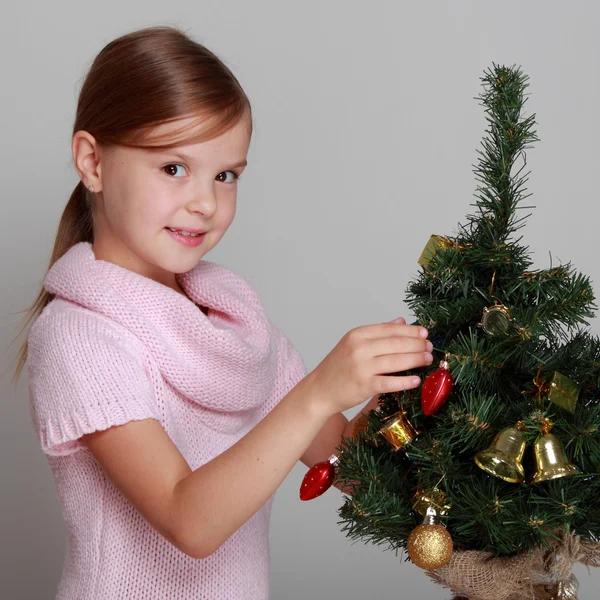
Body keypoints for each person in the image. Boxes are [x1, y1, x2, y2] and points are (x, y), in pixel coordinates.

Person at [16, 25, 434, 600]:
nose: (205, 202)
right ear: (92, 162)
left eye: (226, 175)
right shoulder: (78, 336)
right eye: (172, 168)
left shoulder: (230, 322)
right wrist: (317, 391)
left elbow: (353, 469)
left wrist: (406, 384)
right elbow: (189, 521)